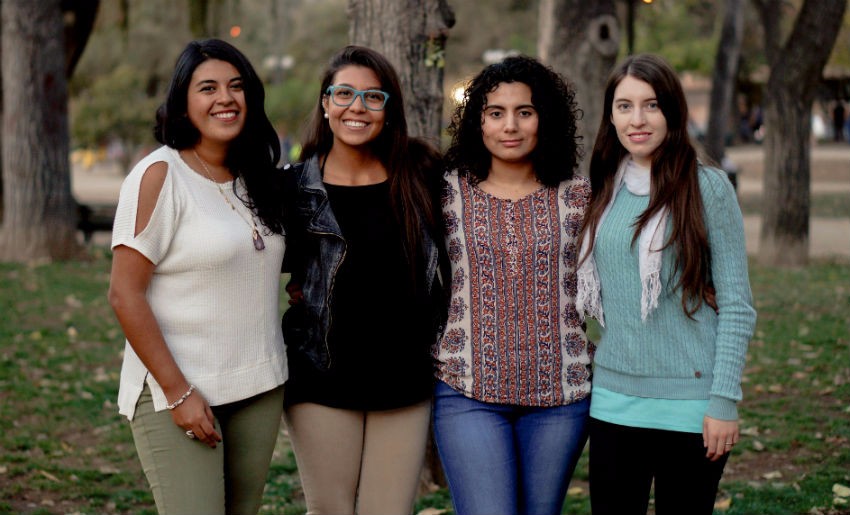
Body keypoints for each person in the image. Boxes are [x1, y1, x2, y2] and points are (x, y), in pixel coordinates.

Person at [107, 39, 287, 515]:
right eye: (208, 88)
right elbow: (125, 294)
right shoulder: (159, 175)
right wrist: (179, 393)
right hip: (179, 387)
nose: (225, 98)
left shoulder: (258, 176)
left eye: (236, 86)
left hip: (258, 386)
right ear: (183, 102)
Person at [576, 53, 757, 515]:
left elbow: (736, 304)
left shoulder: (708, 187)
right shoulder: (602, 188)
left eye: (651, 105)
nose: (637, 119)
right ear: (610, 115)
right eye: (624, 106)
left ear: (673, 111)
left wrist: (723, 402)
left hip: (692, 407)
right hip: (614, 402)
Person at [280, 45, 445, 514]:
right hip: (322, 375)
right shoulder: (293, 189)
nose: (358, 107)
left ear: (389, 109)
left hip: (405, 377)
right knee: (330, 509)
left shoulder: (424, 177)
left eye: (374, 97)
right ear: (326, 103)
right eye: (345, 94)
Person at [432, 55, 592, 515]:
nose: (511, 126)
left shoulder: (579, 197)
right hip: (466, 389)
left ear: (546, 119)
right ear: (477, 122)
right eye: (496, 113)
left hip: (560, 395)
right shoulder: (444, 194)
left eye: (525, 111)